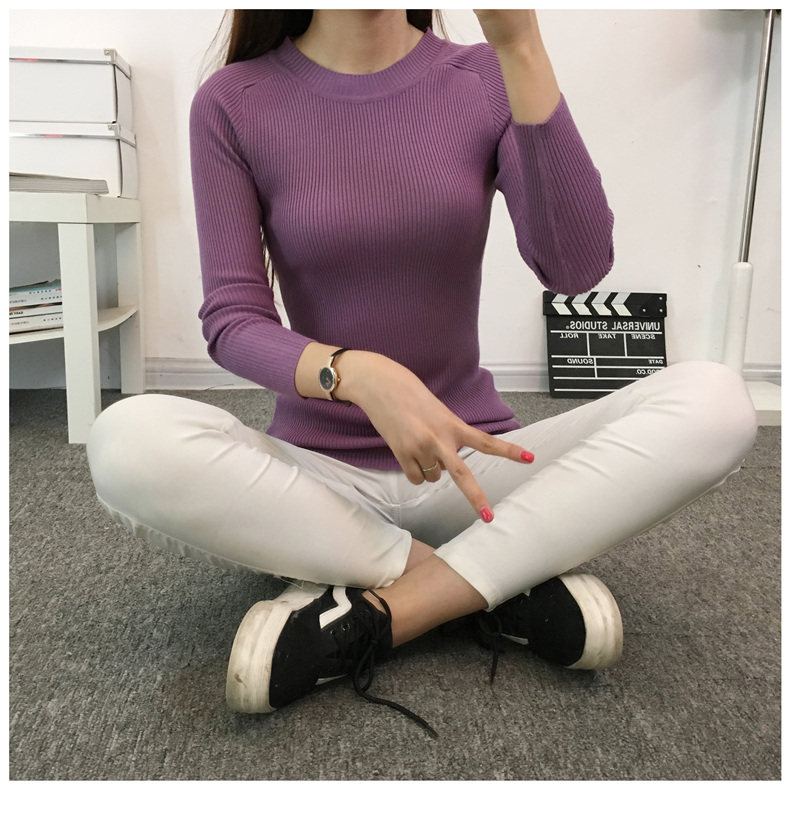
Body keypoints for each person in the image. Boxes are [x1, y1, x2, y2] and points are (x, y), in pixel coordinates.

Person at [87, 9, 757, 738]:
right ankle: (498, 580)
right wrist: (353, 373)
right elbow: (232, 320)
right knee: (126, 438)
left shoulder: (483, 79)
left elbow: (576, 268)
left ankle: (391, 608)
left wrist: (521, 45)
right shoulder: (233, 100)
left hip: (471, 467)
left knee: (715, 401)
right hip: (315, 483)